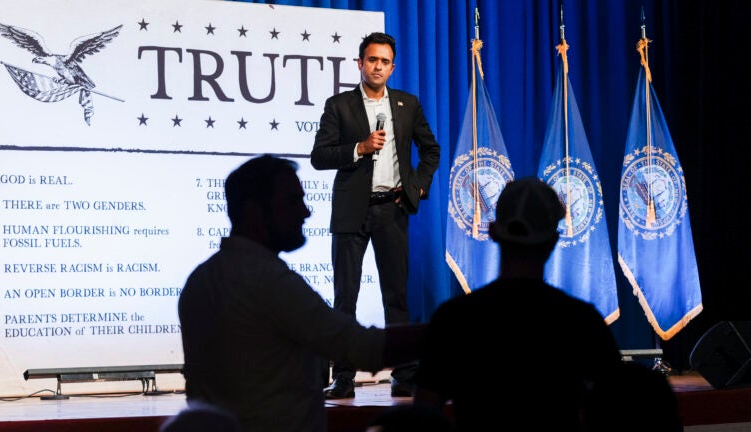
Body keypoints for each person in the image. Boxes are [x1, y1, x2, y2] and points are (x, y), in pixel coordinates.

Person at [178, 155, 424, 432]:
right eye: (292, 202)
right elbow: (363, 348)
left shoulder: (199, 281)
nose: (305, 212)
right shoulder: (268, 282)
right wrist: (449, 329)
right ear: (253, 212)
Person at [413, 177, 623, 431]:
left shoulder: (454, 319)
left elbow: (423, 417)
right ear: (553, 241)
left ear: (492, 231)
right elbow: (614, 412)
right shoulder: (582, 321)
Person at [310, 31, 441, 400]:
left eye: (384, 61)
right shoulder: (340, 105)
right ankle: (345, 377)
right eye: (372, 60)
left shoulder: (407, 105)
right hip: (352, 210)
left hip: (392, 209)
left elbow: (431, 150)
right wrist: (359, 147)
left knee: (396, 296)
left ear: (392, 66)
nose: (378, 66)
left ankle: (403, 374)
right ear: (360, 63)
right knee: (345, 297)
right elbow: (319, 156)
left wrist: (416, 186)